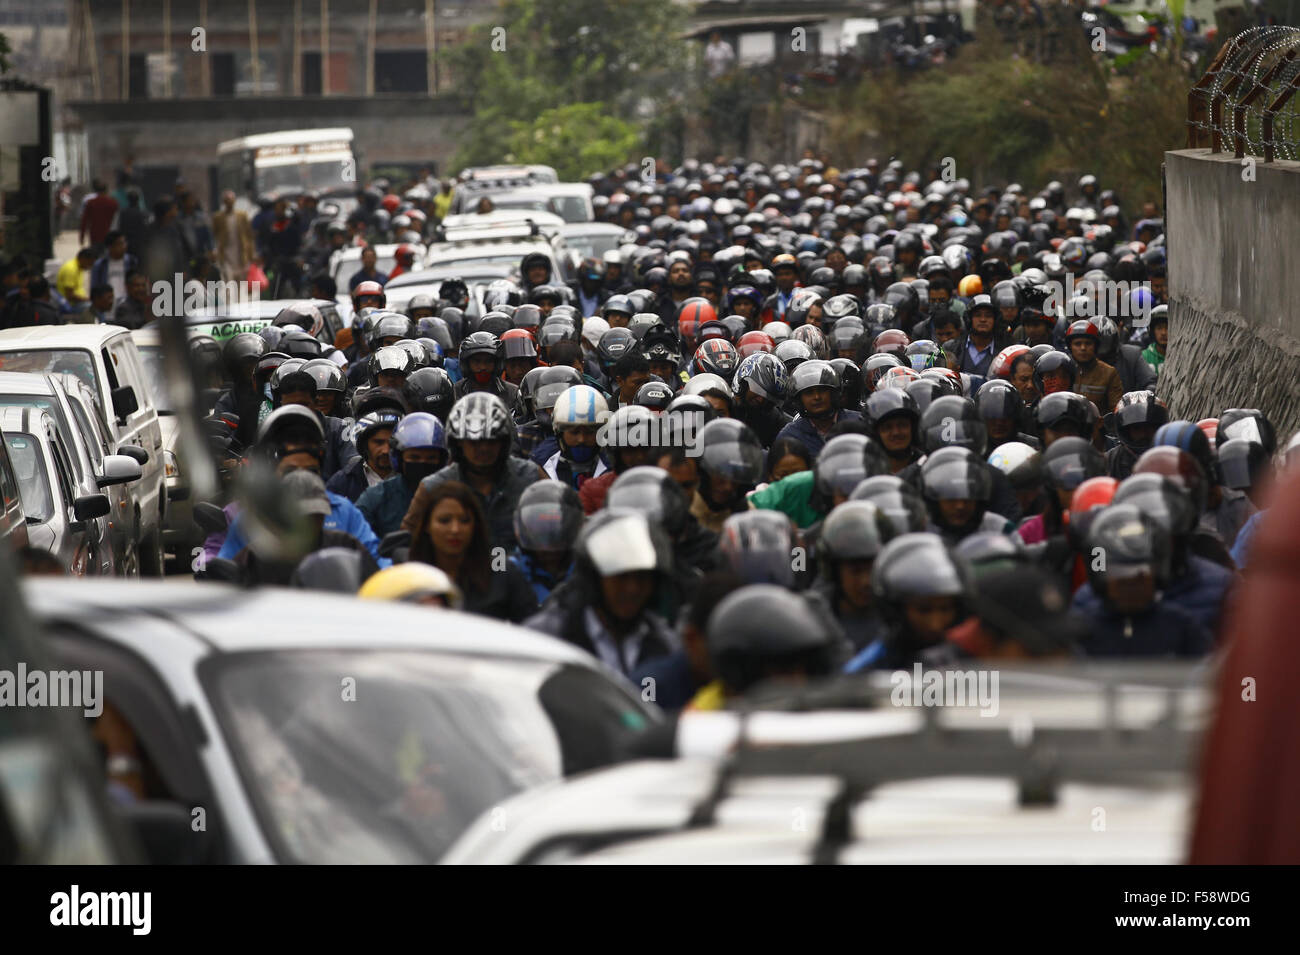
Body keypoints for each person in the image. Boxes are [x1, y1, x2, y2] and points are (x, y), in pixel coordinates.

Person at [523, 510, 678, 678]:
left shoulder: (667, 645)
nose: (632, 588)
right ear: (594, 578)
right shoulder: (546, 638)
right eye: (621, 577)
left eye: (642, 578)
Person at [402, 392, 544, 549]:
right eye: (474, 442)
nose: (483, 449)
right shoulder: (434, 487)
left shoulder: (531, 477)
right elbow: (408, 544)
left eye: (490, 441)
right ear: (458, 443)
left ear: (503, 442)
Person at [1069, 505, 1212, 657]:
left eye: (1140, 573)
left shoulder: (1183, 629)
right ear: (1100, 578)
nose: (1131, 583)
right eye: (1120, 574)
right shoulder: (1081, 632)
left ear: (1157, 573)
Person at [405, 480, 537, 622]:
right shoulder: (407, 578)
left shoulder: (503, 573)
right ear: (426, 525)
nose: (455, 529)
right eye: (444, 520)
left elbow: (533, 630)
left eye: (464, 520)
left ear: (475, 525)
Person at [357, 412, 447, 537]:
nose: (422, 464)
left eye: (431, 458)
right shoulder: (376, 498)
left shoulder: (456, 494)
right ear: (398, 458)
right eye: (414, 458)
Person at [327, 412, 401, 502]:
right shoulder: (342, 482)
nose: (385, 450)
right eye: (378, 442)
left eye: (391, 443)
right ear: (365, 445)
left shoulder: (410, 477)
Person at [212, 189, 255, 284]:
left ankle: (239, 298)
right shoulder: (218, 217)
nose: (229, 203)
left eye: (231, 200)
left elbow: (249, 235)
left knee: (240, 281)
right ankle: (229, 297)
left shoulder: (242, 216)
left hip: (240, 252)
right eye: (227, 200)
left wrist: (251, 253)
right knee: (228, 279)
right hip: (226, 253)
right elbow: (215, 234)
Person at [79, 179, 119, 249]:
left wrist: (82, 236)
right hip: (109, 235)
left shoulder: (91, 203)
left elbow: (84, 220)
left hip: (94, 235)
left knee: (95, 254)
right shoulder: (113, 203)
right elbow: (117, 221)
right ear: (106, 191)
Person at [55, 248, 95, 317]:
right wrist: (87, 299)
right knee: (95, 307)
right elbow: (69, 295)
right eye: (90, 263)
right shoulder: (71, 269)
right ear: (83, 259)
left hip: (77, 302)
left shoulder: (79, 267)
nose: (90, 266)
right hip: (70, 305)